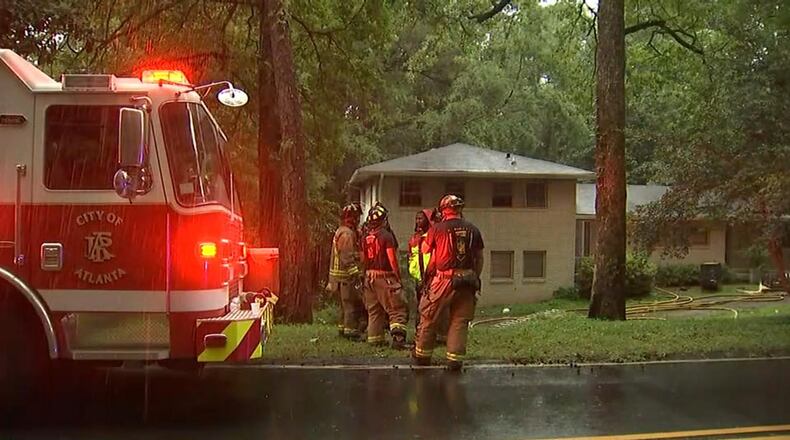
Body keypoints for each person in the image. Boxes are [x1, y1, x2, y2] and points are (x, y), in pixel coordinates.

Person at [413, 194, 484, 370]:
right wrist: (475, 276)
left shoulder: (437, 229)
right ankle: (454, 360)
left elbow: (426, 252)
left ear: (444, 209)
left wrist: (427, 278)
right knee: (459, 321)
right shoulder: (473, 229)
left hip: (443, 279)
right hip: (467, 280)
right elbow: (479, 258)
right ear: (459, 209)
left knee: (429, 315)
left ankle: (422, 356)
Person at [360, 203, 409, 349]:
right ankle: (398, 340)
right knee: (397, 307)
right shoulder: (386, 236)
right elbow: (392, 259)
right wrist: (397, 277)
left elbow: (363, 259)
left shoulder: (365, 237)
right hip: (385, 277)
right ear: (383, 220)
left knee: (374, 310)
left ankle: (375, 339)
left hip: (369, 277)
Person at [327, 203, 366, 340]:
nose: (358, 220)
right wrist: (355, 273)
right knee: (350, 305)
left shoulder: (343, 231)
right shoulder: (347, 234)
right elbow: (346, 257)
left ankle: (343, 329)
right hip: (345, 277)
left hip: (339, 278)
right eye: (356, 217)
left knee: (345, 306)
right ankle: (350, 332)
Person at [408, 209, 448, 340]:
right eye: (416, 218)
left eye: (421, 218)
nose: (418, 221)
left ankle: (439, 335)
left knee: (436, 307)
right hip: (419, 278)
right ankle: (420, 334)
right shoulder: (415, 237)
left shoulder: (434, 235)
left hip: (433, 278)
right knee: (421, 307)